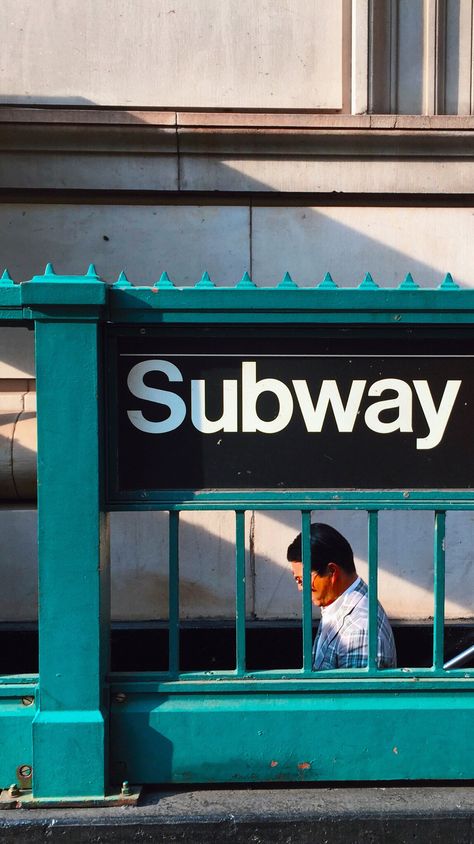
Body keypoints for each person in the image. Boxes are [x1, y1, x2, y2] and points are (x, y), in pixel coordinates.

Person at [287, 522, 396, 670]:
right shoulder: (342, 602)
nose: (300, 588)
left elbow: (353, 693)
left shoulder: (358, 632)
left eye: (302, 580)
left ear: (332, 571)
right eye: (297, 579)